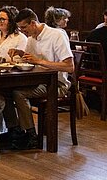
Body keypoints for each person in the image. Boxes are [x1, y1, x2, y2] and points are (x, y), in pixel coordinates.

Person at [11, 8, 74, 150]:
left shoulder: (56, 35)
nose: (22, 32)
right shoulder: (31, 39)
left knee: (18, 93)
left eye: (23, 27)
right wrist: (21, 54)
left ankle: (31, 135)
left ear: (33, 23)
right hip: (37, 81)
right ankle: (15, 131)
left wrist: (39, 61)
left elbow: (69, 67)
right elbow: (30, 61)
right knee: (6, 91)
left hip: (56, 84)